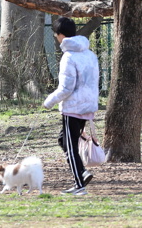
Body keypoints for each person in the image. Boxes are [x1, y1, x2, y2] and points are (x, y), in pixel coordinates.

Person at [43, 16, 100, 196]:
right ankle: (81, 172)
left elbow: (66, 88)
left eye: (55, 34)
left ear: (60, 35)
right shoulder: (90, 54)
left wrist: (49, 101)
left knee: (70, 144)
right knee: (64, 140)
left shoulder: (68, 57)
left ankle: (79, 183)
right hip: (87, 106)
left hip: (73, 108)